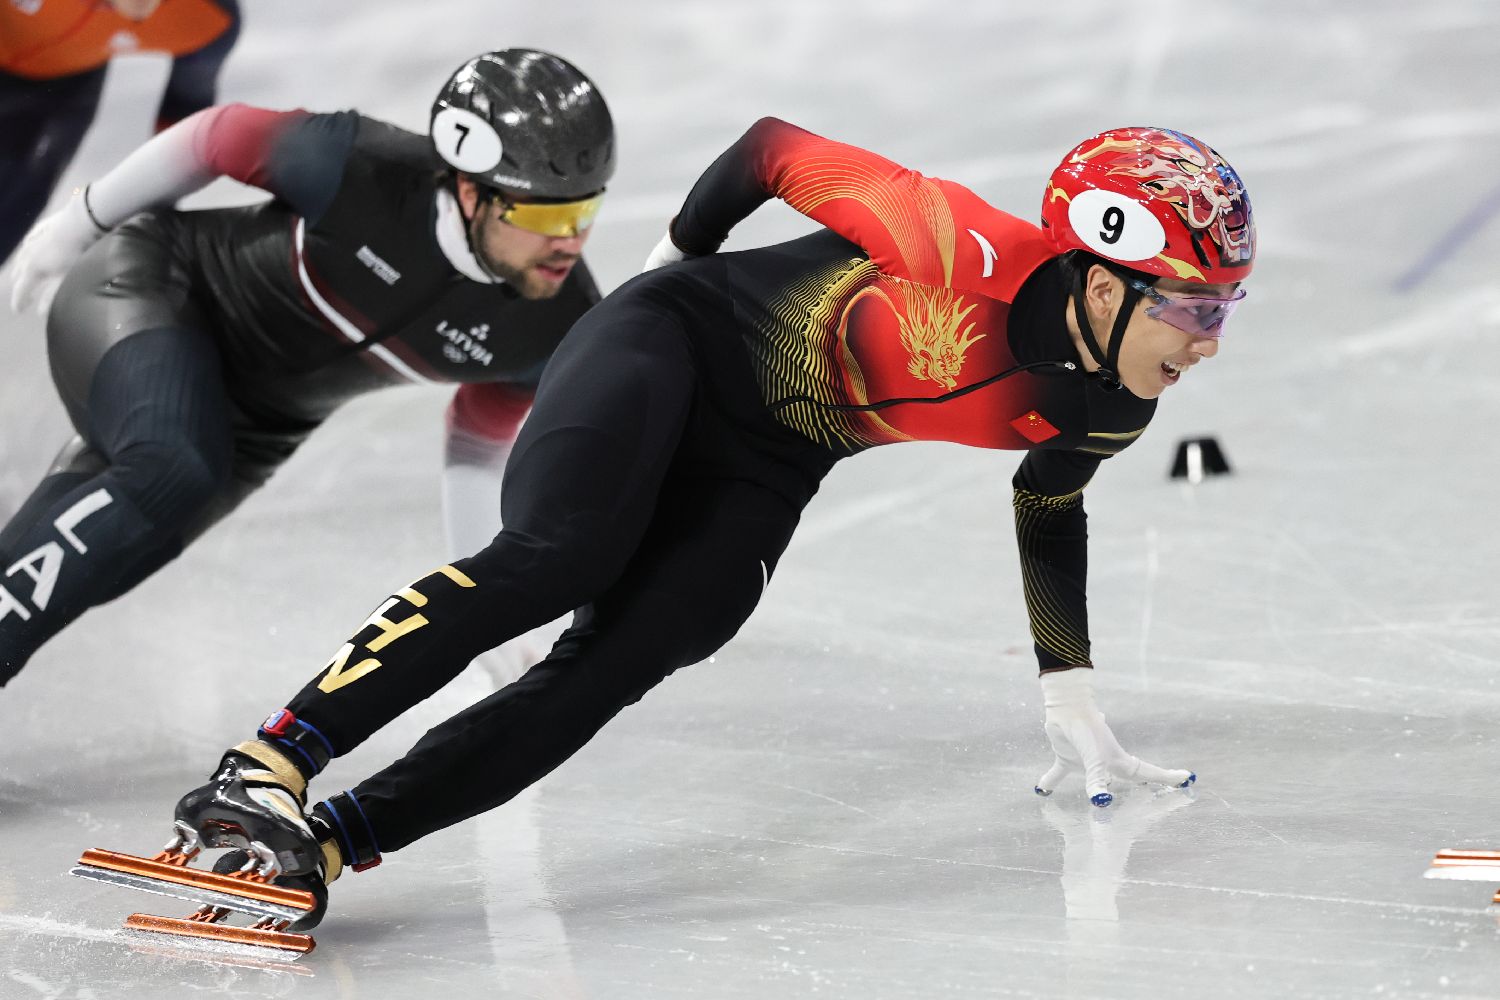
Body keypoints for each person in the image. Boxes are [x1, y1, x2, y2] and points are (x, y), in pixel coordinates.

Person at [159, 118, 1255, 929]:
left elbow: (1048, 503)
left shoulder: (1119, 401)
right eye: (1195, 306)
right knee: (560, 557)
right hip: (673, 345)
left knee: (641, 646)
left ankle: (329, 844)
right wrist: (669, 269)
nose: (1210, 340)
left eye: (1225, 306)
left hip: (774, 454)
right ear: (1105, 285)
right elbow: (771, 150)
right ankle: (268, 763)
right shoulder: (949, 239)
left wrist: (1070, 696)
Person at [0, 49, 615, 685]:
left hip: (255, 430)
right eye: (546, 215)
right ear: (469, 190)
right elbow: (214, 137)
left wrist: (475, 595)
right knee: (170, 467)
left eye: (584, 212)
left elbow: (479, 445)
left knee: (112, 557)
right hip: (156, 290)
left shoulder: (555, 328)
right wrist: (82, 221)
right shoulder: (360, 166)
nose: (569, 241)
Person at [0, 0, 242, 267]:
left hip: (62, 91)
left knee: (15, 201)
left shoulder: (207, 18)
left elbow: (184, 115)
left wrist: (156, 211)